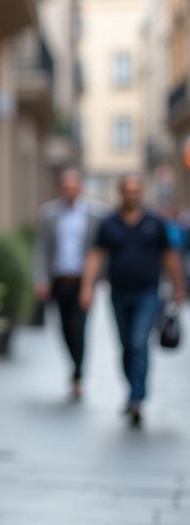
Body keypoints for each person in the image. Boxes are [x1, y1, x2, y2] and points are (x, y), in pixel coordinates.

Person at [81, 175, 184, 428]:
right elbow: (95, 255)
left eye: (135, 190)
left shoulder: (154, 222)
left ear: (141, 193)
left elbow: (169, 255)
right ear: (121, 193)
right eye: (127, 190)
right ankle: (132, 390)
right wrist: (87, 286)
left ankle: (138, 398)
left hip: (148, 293)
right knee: (126, 345)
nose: (131, 194)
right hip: (118, 293)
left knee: (139, 342)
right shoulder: (109, 223)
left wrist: (179, 287)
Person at [33, 169, 103, 400]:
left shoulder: (95, 214)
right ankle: (74, 367)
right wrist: (41, 278)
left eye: (73, 186)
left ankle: (78, 374)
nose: (70, 191)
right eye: (66, 186)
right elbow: (42, 248)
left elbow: (100, 251)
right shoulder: (49, 214)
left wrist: (97, 280)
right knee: (63, 328)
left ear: (80, 187)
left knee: (78, 328)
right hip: (59, 280)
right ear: (61, 188)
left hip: (83, 282)